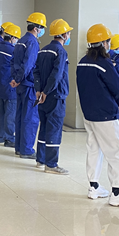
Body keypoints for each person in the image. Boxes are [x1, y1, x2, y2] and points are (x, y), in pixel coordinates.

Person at [76, 24, 119, 209]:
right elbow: (117, 86)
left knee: (94, 148)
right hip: (105, 114)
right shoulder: (105, 62)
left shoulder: (83, 61)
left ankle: (94, 187)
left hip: (89, 113)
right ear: (104, 43)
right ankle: (117, 193)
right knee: (116, 152)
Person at [34, 19, 72, 175]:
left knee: (44, 127)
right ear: (63, 35)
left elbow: (36, 71)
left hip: (43, 96)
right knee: (54, 129)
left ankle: (41, 159)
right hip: (55, 96)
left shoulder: (43, 50)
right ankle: (51, 164)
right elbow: (56, 75)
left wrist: (39, 91)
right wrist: (46, 91)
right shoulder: (60, 52)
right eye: (68, 33)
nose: (69, 36)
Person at [11, 12, 46, 159]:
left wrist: (15, 79)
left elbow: (13, 61)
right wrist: (19, 79)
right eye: (42, 28)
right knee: (30, 117)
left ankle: (19, 147)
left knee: (20, 115)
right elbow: (29, 65)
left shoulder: (21, 40)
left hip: (20, 84)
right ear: (36, 28)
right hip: (29, 84)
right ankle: (26, 149)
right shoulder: (32, 42)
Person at [0, 24, 20, 148]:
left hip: (1, 85)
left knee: (2, 112)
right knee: (10, 114)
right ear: (12, 38)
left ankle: (0, 136)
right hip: (10, 85)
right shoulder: (11, 50)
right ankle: (9, 138)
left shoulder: (0, 47)